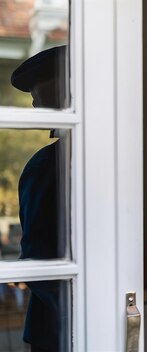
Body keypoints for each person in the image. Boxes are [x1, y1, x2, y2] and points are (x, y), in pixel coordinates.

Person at [12, 45, 70, 352]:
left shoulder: (98, 160)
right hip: (57, 329)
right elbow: (36, 256)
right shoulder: (47, 165)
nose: (34, 101)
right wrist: (78, 308)